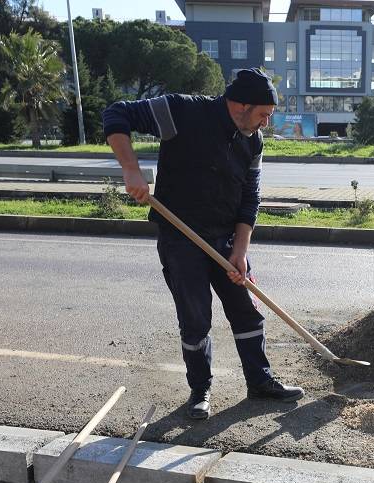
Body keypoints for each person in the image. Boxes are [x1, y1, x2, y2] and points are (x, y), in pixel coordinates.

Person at [102, 68, 304, 420]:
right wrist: (131, 169)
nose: (264, 124)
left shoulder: (252, 142)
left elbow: (250, 197)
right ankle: (200, 389)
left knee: (247, 308)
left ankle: (259, 380)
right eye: (262, 115)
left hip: (226, 239)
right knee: (195, 317)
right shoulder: (182, 112)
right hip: (181, 237)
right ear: (240, 104)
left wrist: (240, 250)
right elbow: (116, 114)